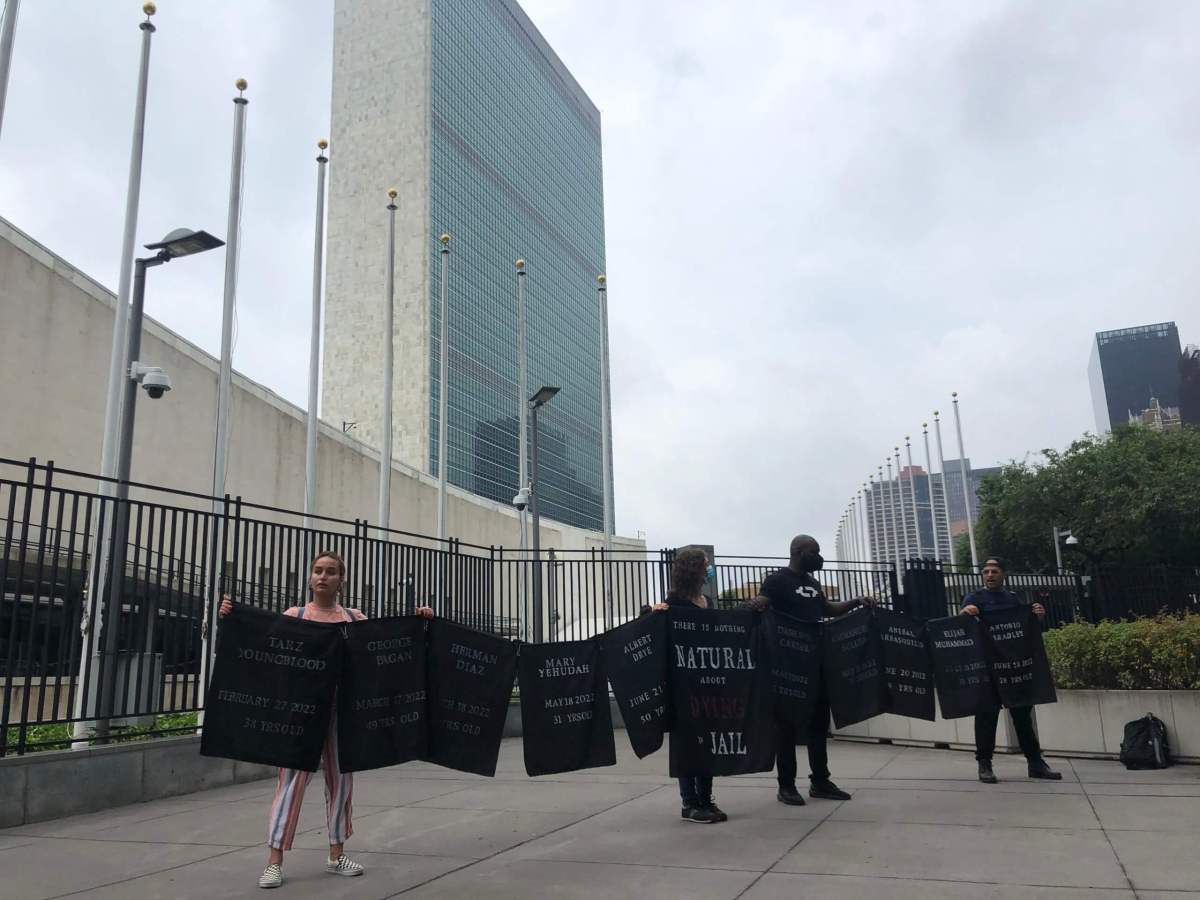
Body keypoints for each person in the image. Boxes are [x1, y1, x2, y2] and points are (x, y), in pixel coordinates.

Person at [218, 550, 434, 889]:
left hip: (342, 712)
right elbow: (263, 648)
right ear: (309, 577)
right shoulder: (295, 615)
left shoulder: (353, 618)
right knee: (290, 783)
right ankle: (274, 860)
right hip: (301, 715)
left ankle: (336, 854)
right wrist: (231, 618)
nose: (323, 576)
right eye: (318, 570)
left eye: (331, 571)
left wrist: (419, 621)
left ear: (341, 580)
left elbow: (385, 647)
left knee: (342, 782)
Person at [748, 534, 872, 805]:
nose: (818, 556)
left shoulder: (813, 583)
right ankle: (787, 785)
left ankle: (820, 781)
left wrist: (856, 602)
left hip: (816, 665)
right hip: (788, 668)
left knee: (818, 725)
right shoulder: (777, 580)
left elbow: (827, 609)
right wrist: (757, 603)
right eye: (814, 551)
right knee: (787, 727)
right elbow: (763, 601)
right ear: (798, 551)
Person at [961, 557, 1062, 785]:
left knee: (1023, 717)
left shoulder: (1013, 599)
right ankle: (984, 764)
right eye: (985, 571)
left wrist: (1037, 616)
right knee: (986, 716)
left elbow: (1025, 630)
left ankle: (1035, 763)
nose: (989, 575)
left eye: (994, 571)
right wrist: (965, 613)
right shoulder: (974, 598)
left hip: (1013, 668)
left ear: (1003, 574)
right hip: (987, 669)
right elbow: (961, 629)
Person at [650, 547, 728, 824]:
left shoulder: (706, 600)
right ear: (694, 569)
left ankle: (706, 799)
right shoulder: (674, 602)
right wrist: (652, 612)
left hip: (708, 682)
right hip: (683, 685)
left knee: (706, 743)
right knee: (687, 743)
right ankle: (689, 802)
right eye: (705, 564)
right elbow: (652, 625)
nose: (709, 568)